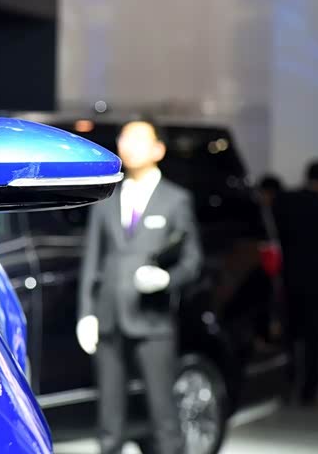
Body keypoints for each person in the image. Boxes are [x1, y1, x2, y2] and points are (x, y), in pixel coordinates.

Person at [77, 119, 202, 454]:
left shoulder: (175, 200)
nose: (128, 145)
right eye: (124, 138)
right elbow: (92, 260)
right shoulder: (106, 197)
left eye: (138, 139)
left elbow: (193, 260)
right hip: (109, 318)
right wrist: (86, 313)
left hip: (153, 320)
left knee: (163, 415)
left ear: (158, 149)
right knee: (109, 419)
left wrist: (168, 279)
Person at [273, 160, 318, 405]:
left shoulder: (285, 201)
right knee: (314, 338)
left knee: (289, 336)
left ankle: (286, 383)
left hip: (288, 278)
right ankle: (309, 389)